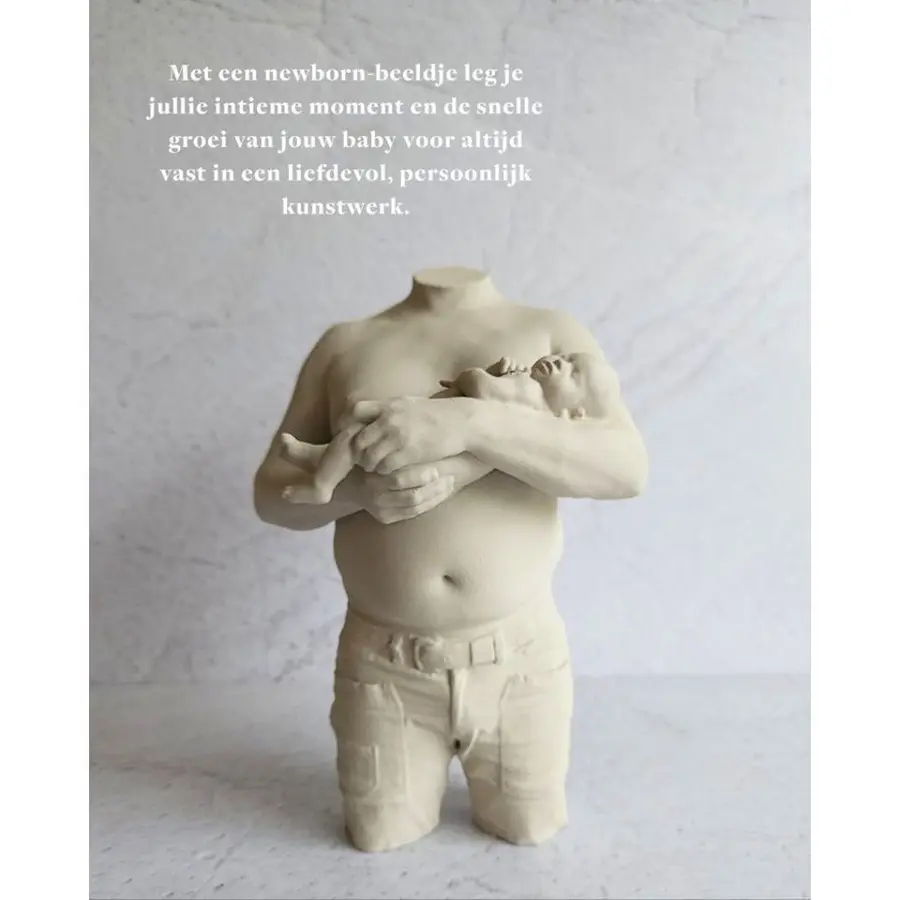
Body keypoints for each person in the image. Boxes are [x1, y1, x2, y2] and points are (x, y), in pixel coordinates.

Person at [253, 266, 648, 852]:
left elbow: (626, 467)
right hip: (384, 666)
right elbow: (270, 494)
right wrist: (356, 492)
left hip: (519, 660)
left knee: (531, 829)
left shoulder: (549, 333)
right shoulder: (346, 344)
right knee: (378, 837)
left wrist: (471, 421)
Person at [277, 351, 614, 505]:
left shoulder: (530, 394)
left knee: (358, 434)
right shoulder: (526, 391)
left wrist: (477, 375)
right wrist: (501, 371)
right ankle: (321, 459)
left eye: (574, 373)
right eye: (568, 357)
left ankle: (322, 483)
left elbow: (480, 389)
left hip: (431, 444)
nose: (561, 362)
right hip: (429, 436)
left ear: (573, 413)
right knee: (359, 438)